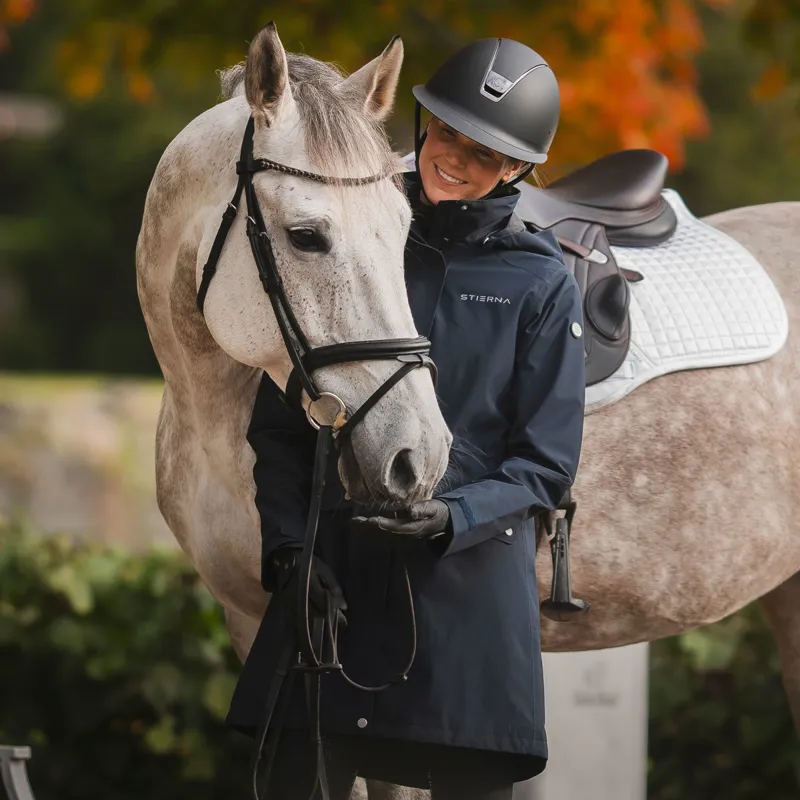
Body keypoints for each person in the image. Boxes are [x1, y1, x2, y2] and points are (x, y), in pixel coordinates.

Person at [227, 37, 586, 800]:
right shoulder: (356, 232)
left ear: (517, 169)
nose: (455, 158)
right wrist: (290, 552)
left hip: (465, 602)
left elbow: (546, 465)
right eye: (449, 132)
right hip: (333, 597)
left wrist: (450, 519)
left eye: (485, 153)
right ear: (423, 126)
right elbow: (281, 420)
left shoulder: (541, 282)